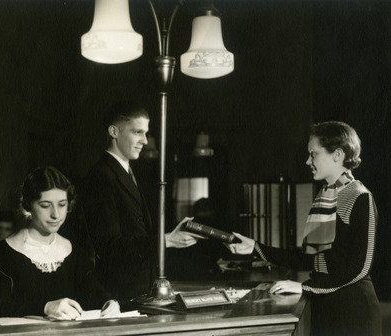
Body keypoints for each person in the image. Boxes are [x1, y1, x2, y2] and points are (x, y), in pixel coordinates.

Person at [226, 121, 381, 336]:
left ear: (337, 155)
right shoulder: (325, 196)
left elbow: (360, 269)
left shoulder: (361, 197)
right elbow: (309, 259)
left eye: (313, 154)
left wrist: (305, 287)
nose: (307, 161)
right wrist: (254, 247)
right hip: (325, 308)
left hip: (353, 313)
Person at [79, 101, 204, 301]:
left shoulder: (128, 172)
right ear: (114, 131)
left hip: (140, 288)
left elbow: (138, 231)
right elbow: (110, 247)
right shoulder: (100, 177)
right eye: (138, 132)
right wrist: (166, 240)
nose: (145, 141)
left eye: (146, 133)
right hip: (118, 295)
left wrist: (171, 235)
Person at [0, 166, 120, 320]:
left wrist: (109, 302)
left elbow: (93, 292)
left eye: (62, 205)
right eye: (45, 206)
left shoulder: (74, 252)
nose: (55, 214)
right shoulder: (1, 254)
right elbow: (0, 309)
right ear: (27, 205)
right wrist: (45, 307)